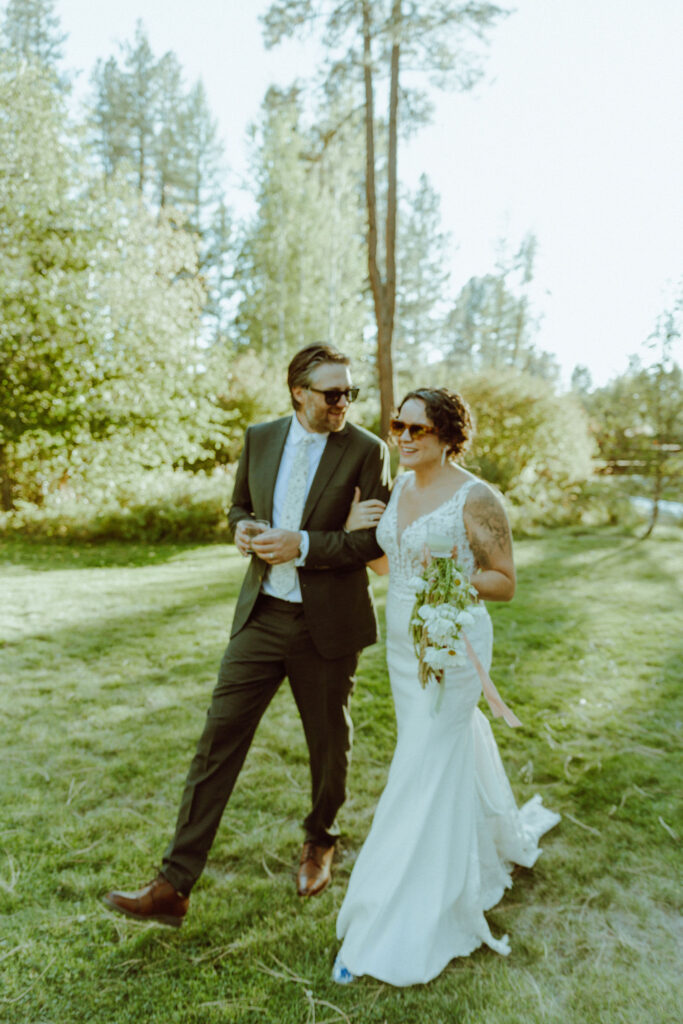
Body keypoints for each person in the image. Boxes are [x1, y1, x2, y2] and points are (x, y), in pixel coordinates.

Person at [103, 344, 391, 927]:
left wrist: (303, 545)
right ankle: (175, 885)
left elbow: (373, 542)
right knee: (216, 745)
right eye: (332, 393)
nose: (343, 403)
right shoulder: (260, 438)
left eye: (349, 393)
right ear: (298, 393)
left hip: (326, 626)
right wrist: (244, 531)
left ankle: (321, 839)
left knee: (328, 745)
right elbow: (237, 506)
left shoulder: (368, 450)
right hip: (260, 617)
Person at [332, 387, 560, 986]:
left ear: (448, 437)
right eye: (397, 426)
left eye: (418, 430)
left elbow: (504, 581)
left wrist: (450, 579)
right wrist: (359, 531)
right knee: (431, 754)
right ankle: (471, 852)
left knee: (418, 767)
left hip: (452, 644)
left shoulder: (476, 497)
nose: (403, 438)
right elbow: (394, 565)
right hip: (406, 650)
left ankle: (393, 917)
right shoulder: (402, 487)